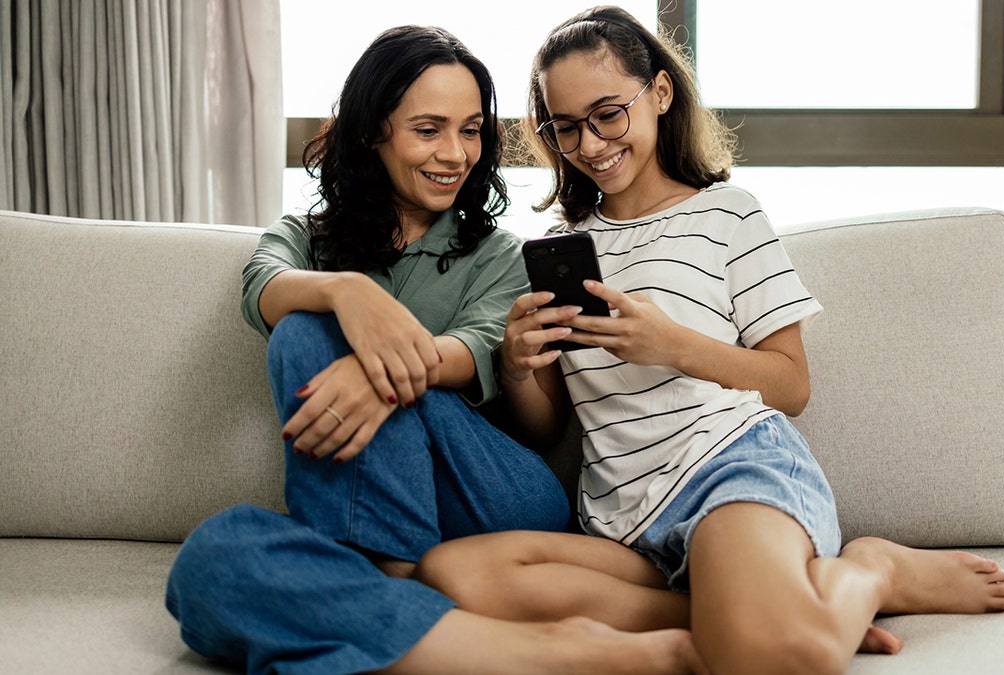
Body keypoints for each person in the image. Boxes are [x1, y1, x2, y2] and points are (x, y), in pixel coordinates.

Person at [412, 7, 1004, 674]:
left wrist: (672, 344)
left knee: (779, 658)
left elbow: (791, 385)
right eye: (566, 128)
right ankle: (751, 608)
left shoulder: (727, 214)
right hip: (625, 523)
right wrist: (518, 365)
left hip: (731, 474)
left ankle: (870, 570)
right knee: (452, 575)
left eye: (608, 113)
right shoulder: (561, 248)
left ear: (660, 94)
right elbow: (550, 425)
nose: (589, 144)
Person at [165, 25, 704, 675]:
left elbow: (474, 348)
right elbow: (263, 287)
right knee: (211, 563)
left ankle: (375, 576)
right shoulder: (308, 239)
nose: (456, 153)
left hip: (494, 494)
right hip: (416, 542)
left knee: (307, 334)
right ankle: (496, 636)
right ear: (373, 131)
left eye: (472, 129)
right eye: (429, 129)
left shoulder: (500, 255)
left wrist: (380, 368)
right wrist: (346, 292)